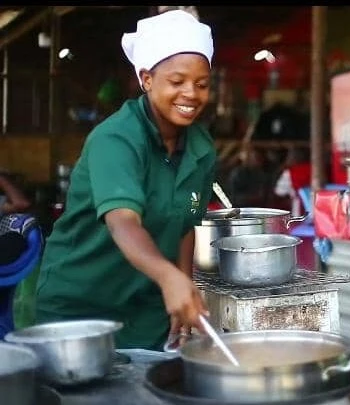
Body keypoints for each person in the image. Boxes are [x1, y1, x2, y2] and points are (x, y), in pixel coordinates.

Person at [34, 10, 217, 350]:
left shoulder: (201, 150)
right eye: (177, 82)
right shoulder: (116, 139)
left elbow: (184, 227)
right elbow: (122, 222)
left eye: (202, 84)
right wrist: (168, 277)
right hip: (81, 309)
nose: (191, 94)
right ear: (147, 79)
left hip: (146, 311)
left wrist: (182, 287)